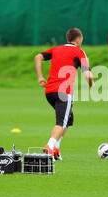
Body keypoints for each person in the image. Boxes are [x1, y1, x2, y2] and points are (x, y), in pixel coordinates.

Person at [35, 28, 94, 160]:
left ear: (68, 38)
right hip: (64, 92)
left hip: (49, 91)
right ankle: (50, 146)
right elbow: (88, 74)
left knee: (68, 119)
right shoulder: (79, 52)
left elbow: (38, 57)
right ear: (79, 39)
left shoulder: (56, 49)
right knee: (61, 122)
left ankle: (56, 149)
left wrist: (40, 77)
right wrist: (91, 84)